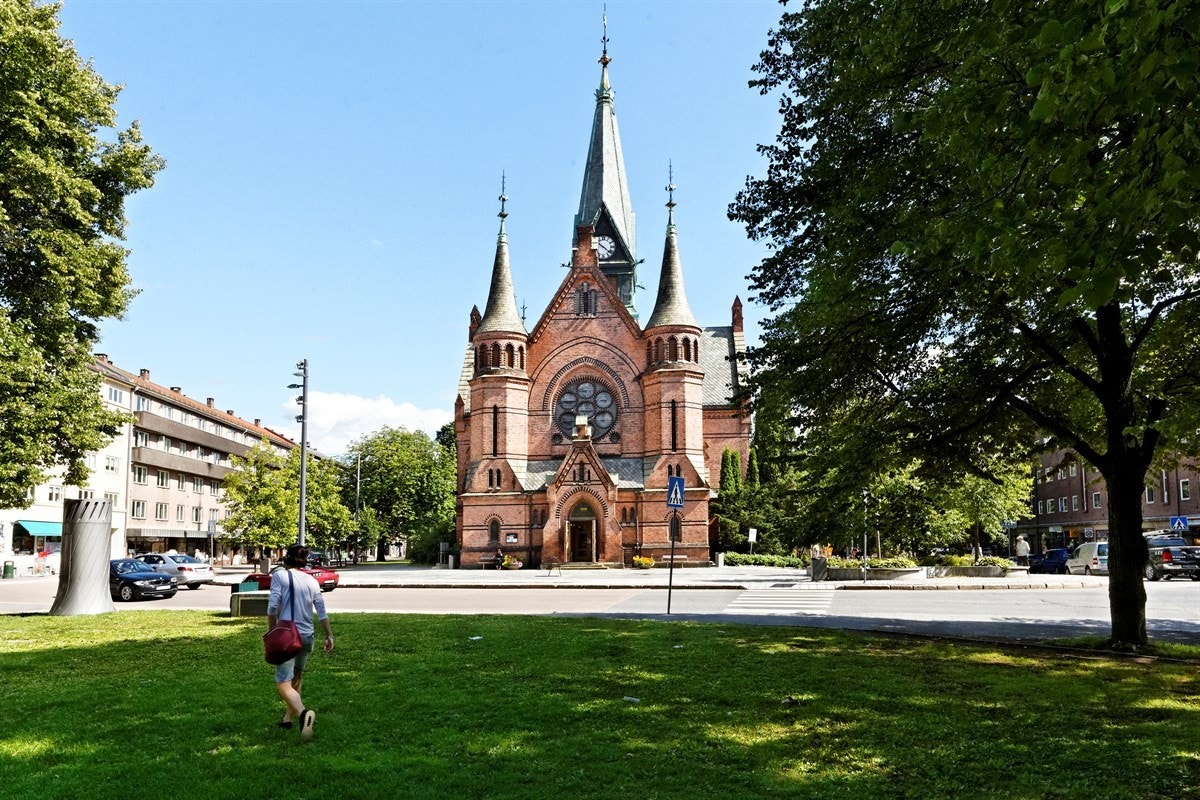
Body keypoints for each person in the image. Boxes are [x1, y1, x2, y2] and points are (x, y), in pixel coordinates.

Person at [267, 544, 334, 742]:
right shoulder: (312, 581)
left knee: (283, 683)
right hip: (307, 636)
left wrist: (272, 630)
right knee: (297, 676)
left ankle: (304, 714)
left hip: (288, 635)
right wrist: (329, 635)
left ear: (287, 558)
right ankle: (288, 718)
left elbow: (272, 606)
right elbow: (321, 611)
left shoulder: (280, 575)